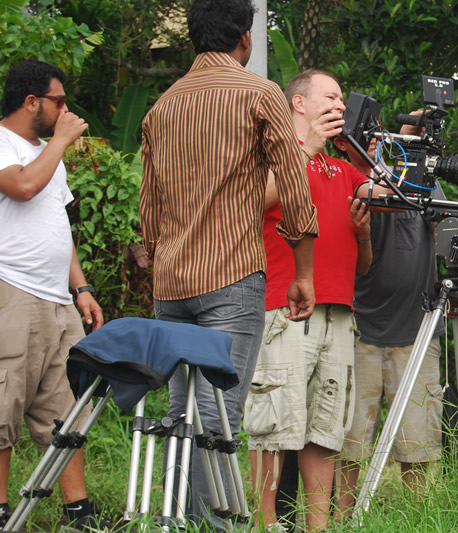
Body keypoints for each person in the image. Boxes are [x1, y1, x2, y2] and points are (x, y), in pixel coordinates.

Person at [139, 0, 318, 526]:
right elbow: (293, 191)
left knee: (180, 413)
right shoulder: (259, 93)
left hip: (170, 284)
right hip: (231, 276)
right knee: (219, 414)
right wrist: (303, 273)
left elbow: (149, 214)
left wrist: (163, 262)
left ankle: (179, 521)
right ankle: (211, 524)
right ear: (245, 38)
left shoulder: (161, 107)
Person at [243, 69, 371, 533]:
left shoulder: (344, 169)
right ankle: (264, 526)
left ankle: (318, 528)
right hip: (285, 309)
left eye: (342, 100)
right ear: (299, 103)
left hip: (339, 312)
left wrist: (366, 228)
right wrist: (308, 148)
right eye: (331, 97)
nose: (340, 105)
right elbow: (254, 202)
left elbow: (368, 247)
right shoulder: (271, 155)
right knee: (273, 428)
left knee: (323, 431)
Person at [0, 59, 109, 530]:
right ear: (31, 102)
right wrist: (62, 141)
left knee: (65, 407)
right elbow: (23, 187)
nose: (66, 110)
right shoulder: (3, 143)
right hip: (13, 290)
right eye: (58, 101)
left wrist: (80, 286)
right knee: (4, 403)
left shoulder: (48, 151)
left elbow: (57, 224)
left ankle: (77, 510)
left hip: (57, 300)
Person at [335, 141, 445, 519]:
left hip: (418, 329)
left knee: (417, 441)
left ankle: (415, 520)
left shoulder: (424, 181)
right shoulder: (355, 180)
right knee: (349, 439)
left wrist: (421, 167)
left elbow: (446, 233)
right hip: (360, 328)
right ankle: (342, 519)